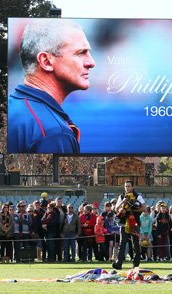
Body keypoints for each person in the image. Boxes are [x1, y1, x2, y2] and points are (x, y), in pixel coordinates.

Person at [8, 19, 95, 153]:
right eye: (81, 53)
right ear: (46, 61)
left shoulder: (9, 107)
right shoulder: (53, 133)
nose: (91, 62)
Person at [112, 180, 146, 270]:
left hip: (134, 223)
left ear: (132, 187)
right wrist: (123, 201)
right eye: (126, 186)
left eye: (129, 186)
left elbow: (144, 208)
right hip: (123, 223)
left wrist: (131, 210)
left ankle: (136, 266)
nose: (127, 188)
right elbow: (116, 209)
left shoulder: (138, 196)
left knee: (135, 245)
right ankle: (119, 264)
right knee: (122, 244)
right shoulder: (122, 196)